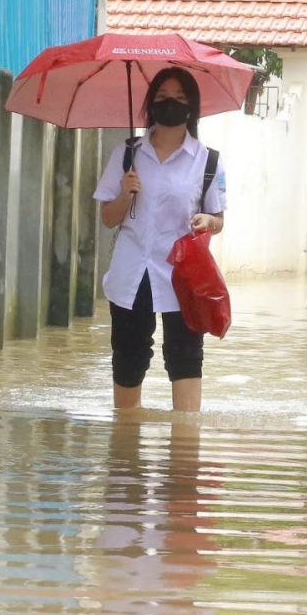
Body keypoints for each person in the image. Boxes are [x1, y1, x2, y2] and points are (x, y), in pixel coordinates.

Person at [94, 67, 227, 412]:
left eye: (180, 99)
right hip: (132, 272)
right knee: (129, 355)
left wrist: (207, 220)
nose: (171, 104)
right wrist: (124, 194)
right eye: (164, 97)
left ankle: (184, 452)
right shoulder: (127, 154)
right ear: (151, 103)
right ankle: (124, 445)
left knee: (185, 356)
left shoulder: (208, 160)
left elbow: (219, 219)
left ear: (192, 108)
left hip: (182, 274)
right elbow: (107, 219)